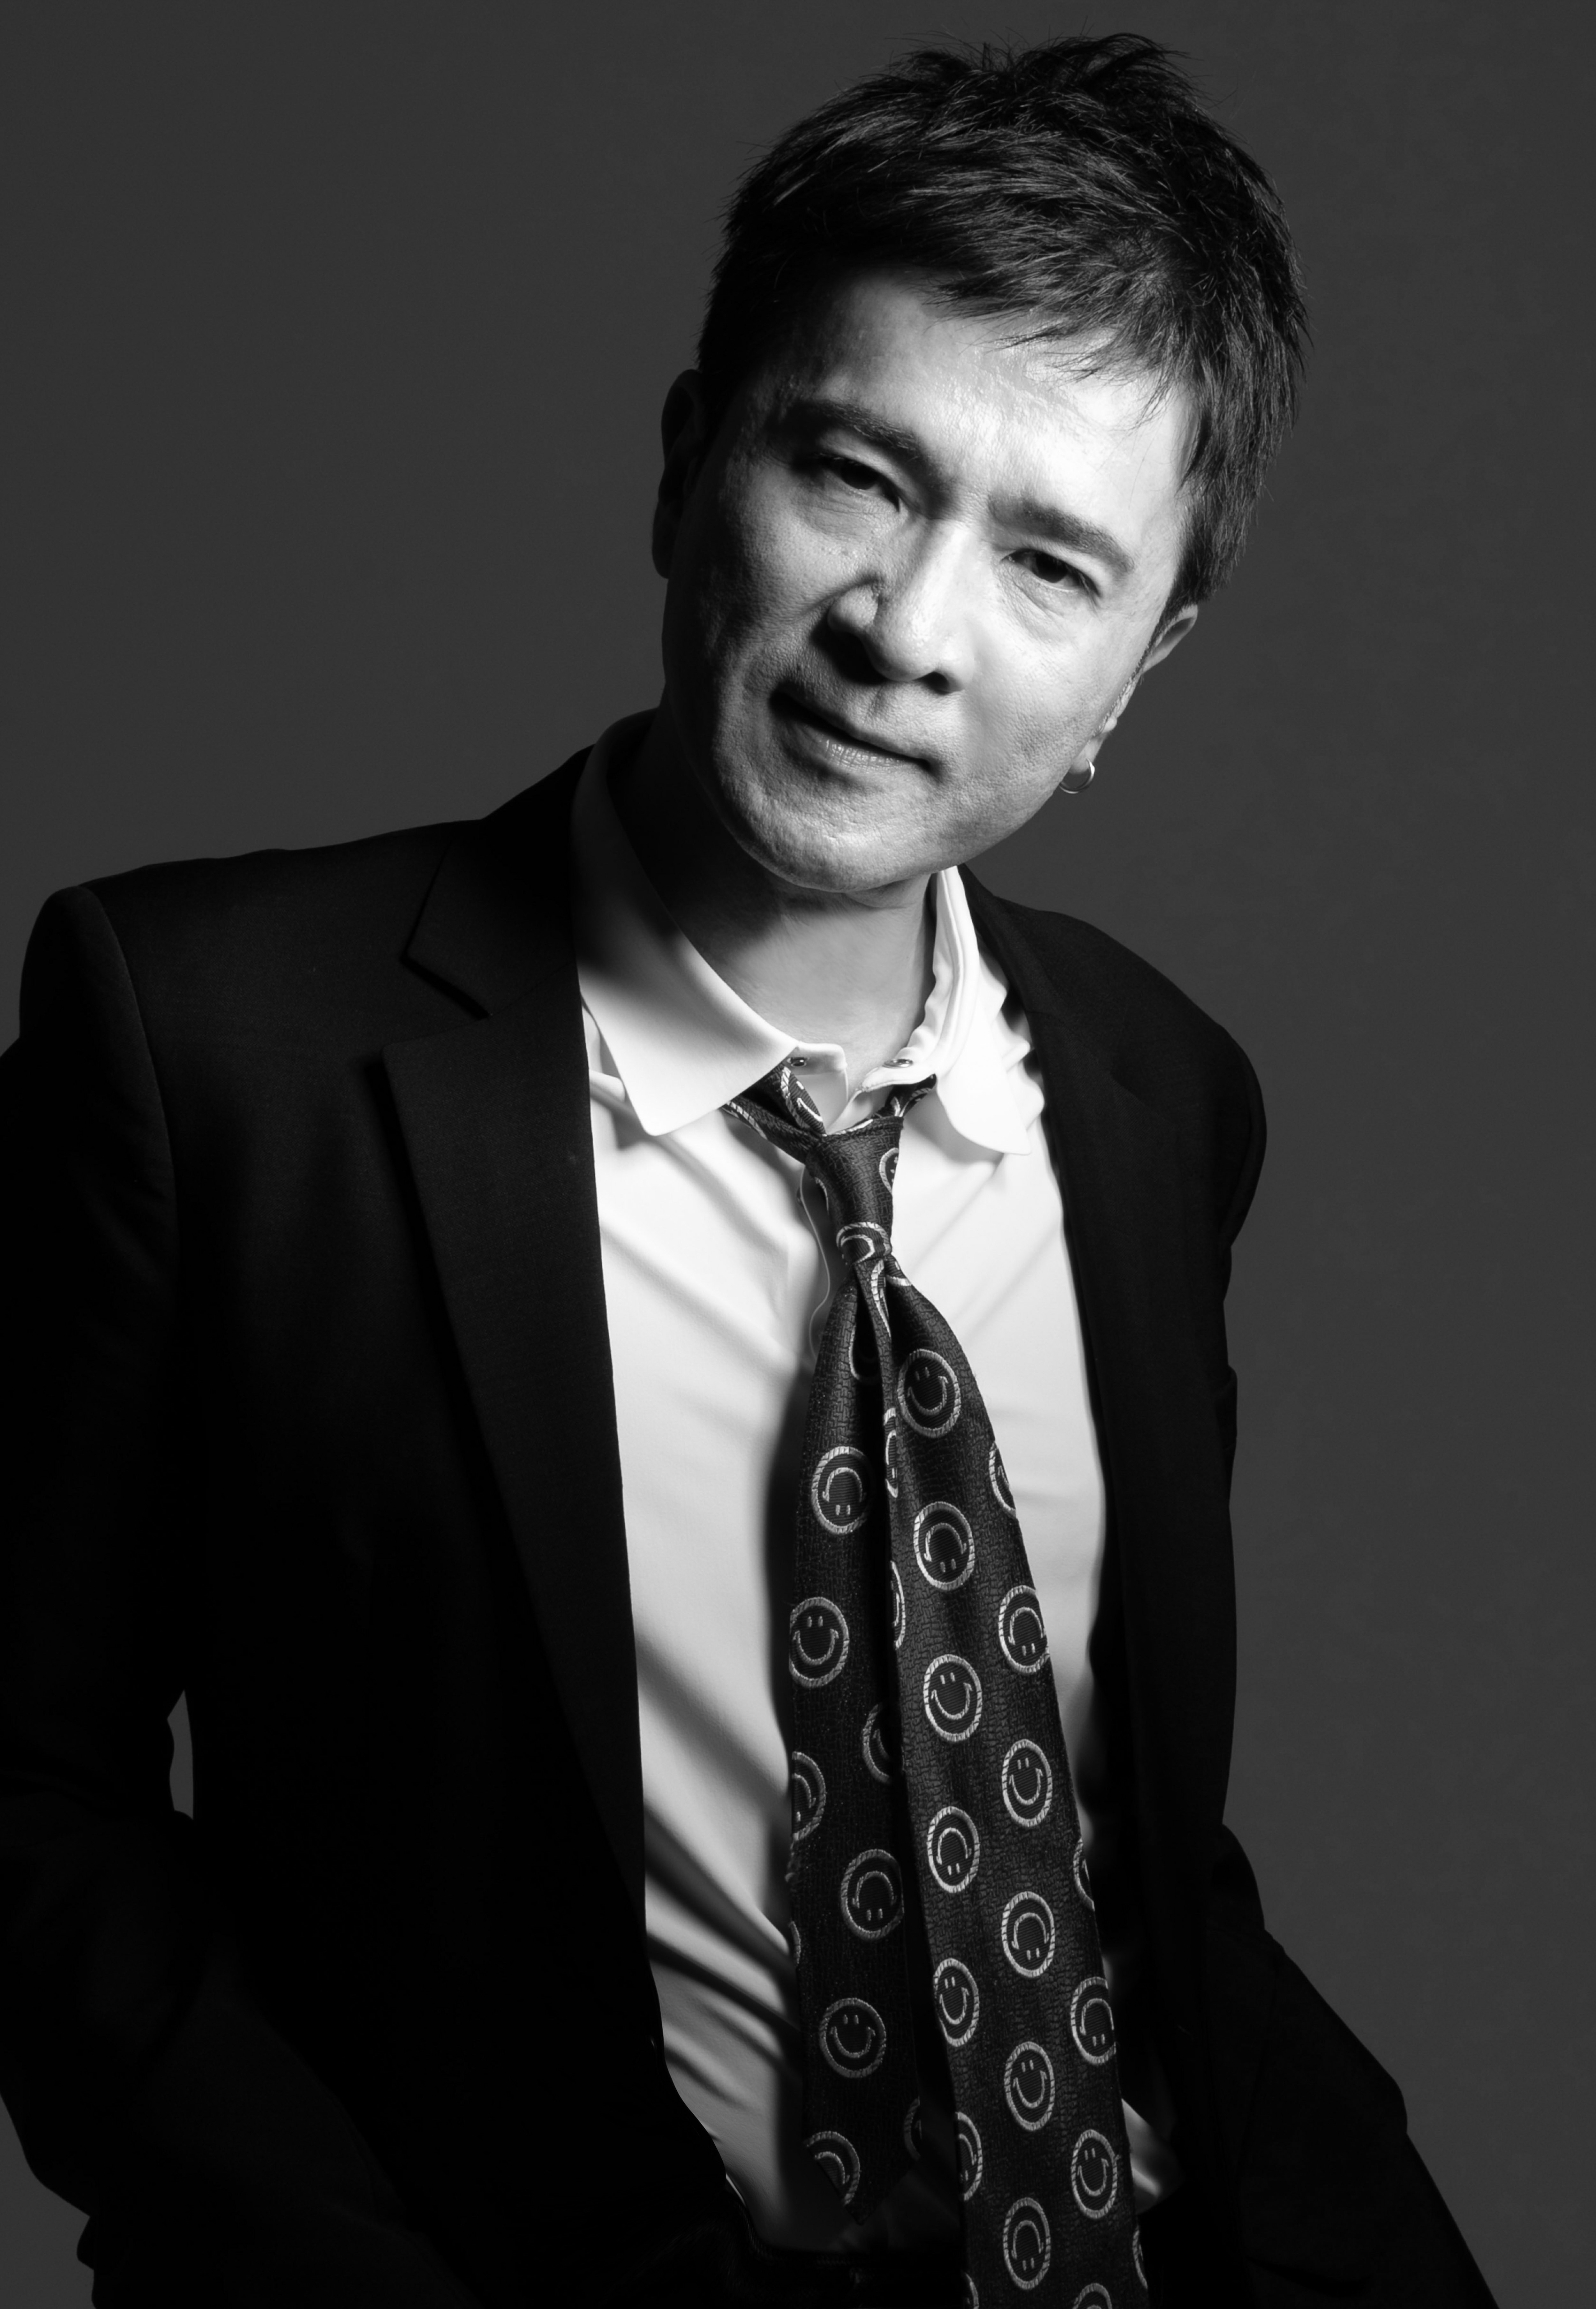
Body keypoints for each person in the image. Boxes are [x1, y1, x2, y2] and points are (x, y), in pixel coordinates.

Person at [0, 34, 1495, 2309]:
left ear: (1141, 663)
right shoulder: (207, 1040)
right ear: (691, 454)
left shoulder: (1154, 1094)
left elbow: (1120, 1837)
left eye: (1050, 564)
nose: (907, 629)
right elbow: (27, 1783)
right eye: (853, 473)